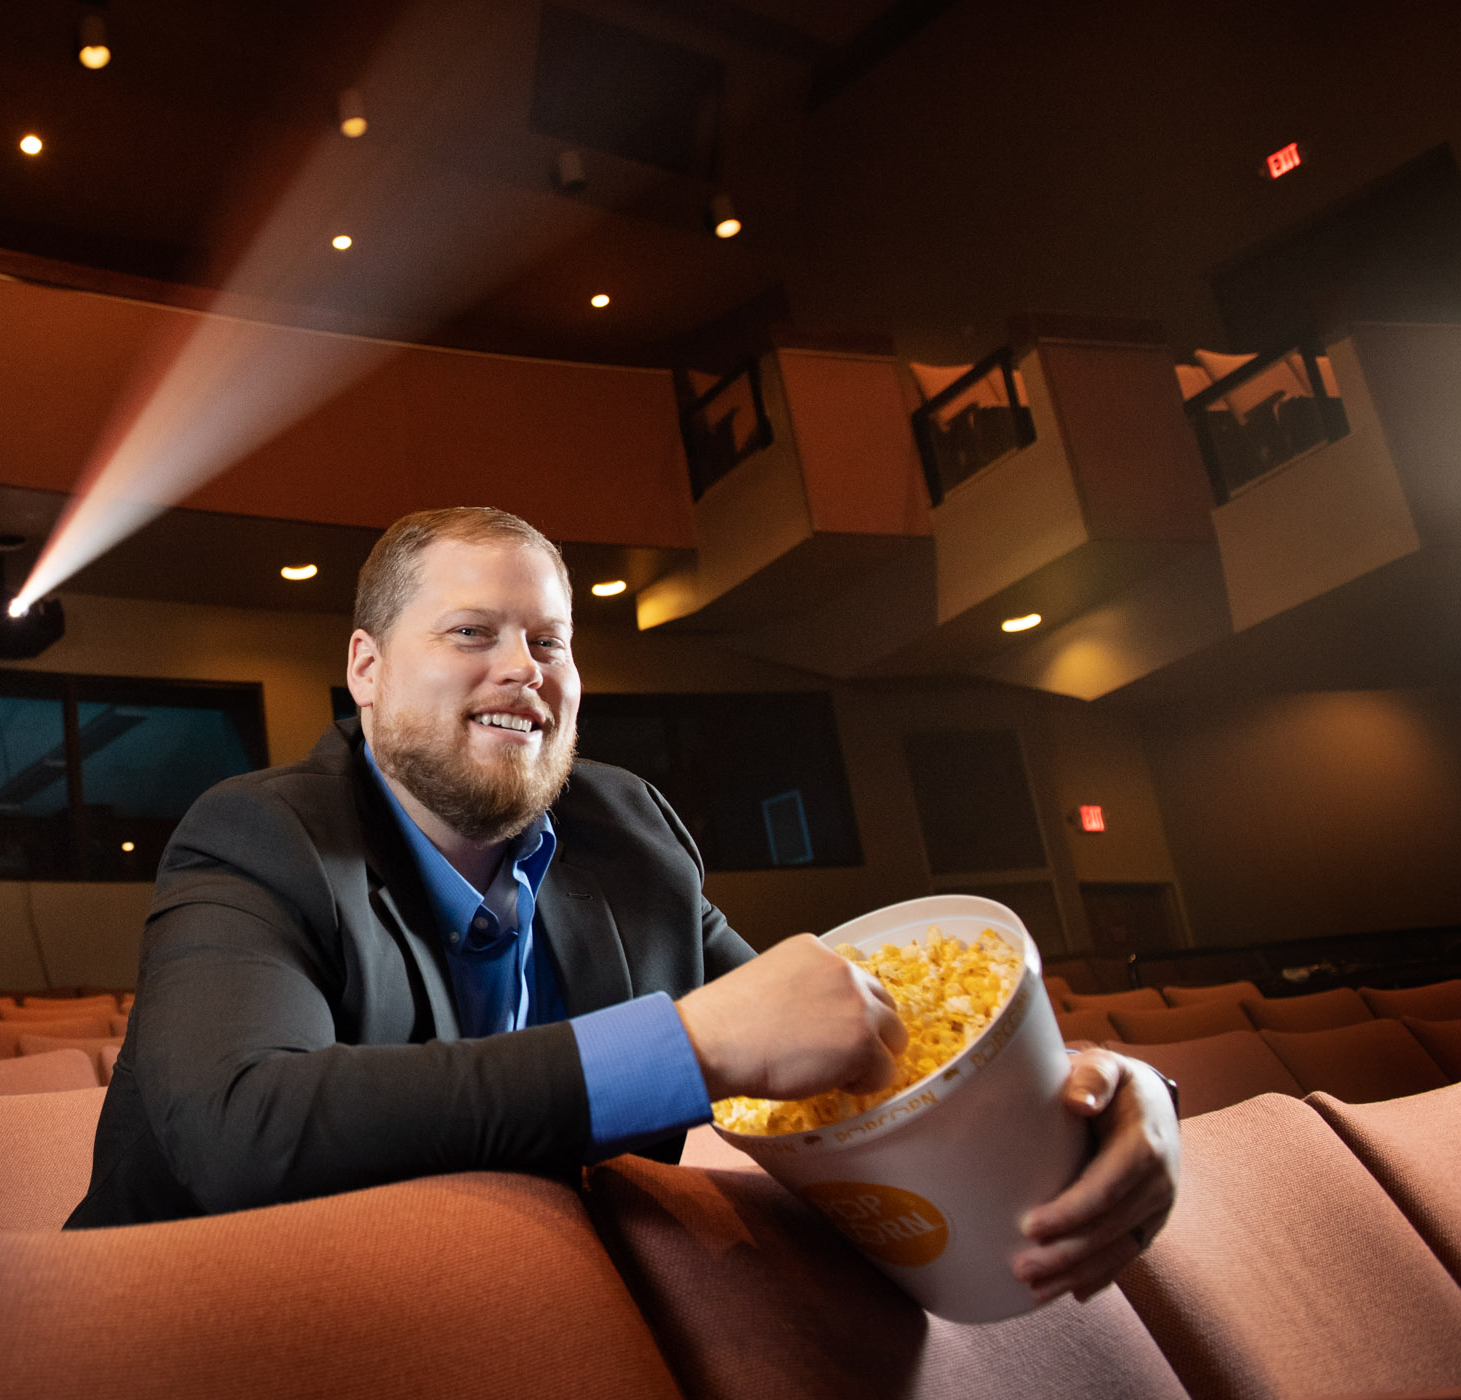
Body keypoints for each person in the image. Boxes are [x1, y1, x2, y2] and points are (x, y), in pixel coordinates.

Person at [69, 506, 1178, 1306]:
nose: (524, 669)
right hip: (214, 1333)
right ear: (365, 669)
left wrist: (1098, 1093)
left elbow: (853, 1041)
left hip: (537, 1327)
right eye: (471, 633)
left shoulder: (630, 831)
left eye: (549, 640)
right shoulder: (259, 833)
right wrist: (687, 1044)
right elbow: (240, 1130)